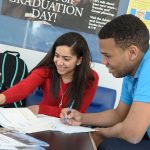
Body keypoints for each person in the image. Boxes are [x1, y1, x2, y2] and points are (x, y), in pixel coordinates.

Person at [60, 14, 150, 150]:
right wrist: (82, 118)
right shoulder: (132, 69)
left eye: (108, 56)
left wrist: (100, 134)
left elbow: (132, 133)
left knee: (109, 145)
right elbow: (120, 114)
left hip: (141, 135)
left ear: (132, 53)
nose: (104, 62)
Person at [0, 32, 99, 117]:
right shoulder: (46, 70)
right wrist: (2, 98)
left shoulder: (90, 78)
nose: (59, 62)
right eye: (56, 56)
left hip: (67, 127)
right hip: (41, 121)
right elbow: (23, 87)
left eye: (66, 59)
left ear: (79, 60)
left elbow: (77, 114)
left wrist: (40, 109)